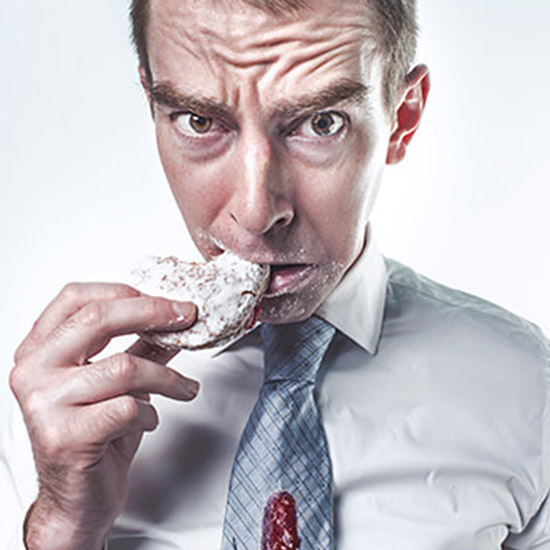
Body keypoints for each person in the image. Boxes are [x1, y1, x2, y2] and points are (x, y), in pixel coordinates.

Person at [1, 0, 549, 548]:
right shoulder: (53, 400)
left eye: (321, 123)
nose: (256, 211)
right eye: (199, 121)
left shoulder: (529, 393)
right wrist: (62, 527)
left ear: (402, 119)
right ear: (152, 105)